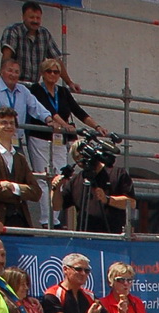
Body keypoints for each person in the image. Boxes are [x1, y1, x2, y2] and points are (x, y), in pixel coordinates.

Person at [26, 58, 103, 226]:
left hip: (59, 140)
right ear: (42, 73)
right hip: (40, 138)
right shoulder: (36, 89)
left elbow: (78, 111)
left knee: (60, 178)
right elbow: (48, 110)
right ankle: (47, 220)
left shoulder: (62, 92)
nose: (53, 75)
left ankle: (56, 220)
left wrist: (97, 126)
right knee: (44, 178)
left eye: (56, 72)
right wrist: (65, 125)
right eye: (49, 71)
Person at [52, 134, 135, 234]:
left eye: (83, 156)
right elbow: (57, 206)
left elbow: (131, 203)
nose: (82, 161)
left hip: (112, 238)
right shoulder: (76, 181)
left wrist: (108, 200)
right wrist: (55, 188)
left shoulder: (117, 173)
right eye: (77, 158)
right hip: (84, 239)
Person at [0, 106, 38, 228]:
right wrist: (21, 193)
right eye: (4, 123)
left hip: (22, 223)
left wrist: (13, 187)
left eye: (12, 123)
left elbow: (36, 192)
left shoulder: (20, 157)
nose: (9, 126)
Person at [0, 57, 56, 152]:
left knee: (19, 166)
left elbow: (35, 106)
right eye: (10, 71)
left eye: (16, 72)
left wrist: (48, 119)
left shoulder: (23, 90)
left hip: (16, 139)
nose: (13, 74)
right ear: (1, 72)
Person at [1, 2, 76, 92]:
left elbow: (57, 61)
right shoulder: (13, 31)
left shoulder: (44, 34)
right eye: (32, 17)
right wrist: (4, 82)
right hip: (14, 85)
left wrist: (69, 83)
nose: (35, 21)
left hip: (33, 87)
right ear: (23, 17)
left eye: (38, 18)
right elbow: (6, 57)